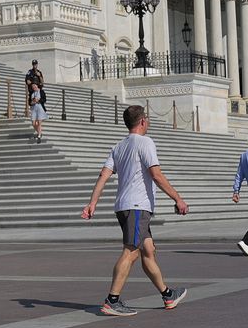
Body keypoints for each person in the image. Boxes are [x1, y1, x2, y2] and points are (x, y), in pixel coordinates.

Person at [79, 104, 191, 316]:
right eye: (147, 119)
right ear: (142, 121)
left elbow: (103, 175)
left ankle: (167, 295)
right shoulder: (145, 142)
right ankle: (112, 301)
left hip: (123, 207)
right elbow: (156, 175)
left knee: (148, 251)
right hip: (137, 206)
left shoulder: (118, 146)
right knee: (131, 251)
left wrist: (92, 203)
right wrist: (178, 199)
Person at [24, 63, 47, 141]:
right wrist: (31, 83)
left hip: (40, 107)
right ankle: (39, 133)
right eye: (33, 64)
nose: (35, 66)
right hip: (34, 107)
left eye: (36, 64)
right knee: (34, 123)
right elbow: (27, 81)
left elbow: (42, 82)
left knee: (39, 122)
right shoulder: (30, 72)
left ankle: (39, 135)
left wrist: (39, 76)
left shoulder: (39, 72)